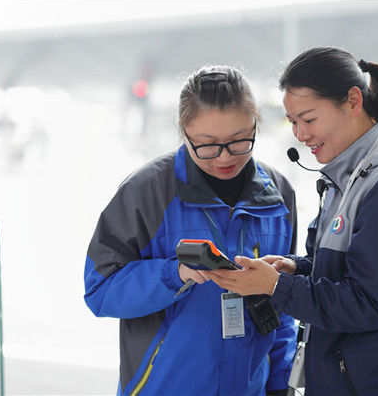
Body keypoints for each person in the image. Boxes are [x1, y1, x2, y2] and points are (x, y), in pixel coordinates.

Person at [207, 47, 378, 395]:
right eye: (292, 122)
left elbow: (368, 304)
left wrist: (275, 287)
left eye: (309, 119)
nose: (300, 135)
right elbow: (343, 271)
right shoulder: (348, 178)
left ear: (352, 101)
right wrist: (294, 269)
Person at [84, 65, 298, 396]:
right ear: (184, 131)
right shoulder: (146, 193)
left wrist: (280, 385)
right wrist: (174, 273)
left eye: (240, 141)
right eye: (208, 144)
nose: (225, 157)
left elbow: (280, 308)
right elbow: (100, 291)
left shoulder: (279, 194)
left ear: (256, 125)